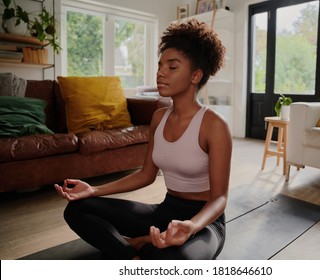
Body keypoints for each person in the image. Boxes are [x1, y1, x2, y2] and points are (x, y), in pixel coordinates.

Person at [55, 18, 232, 260]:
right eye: (160, 65)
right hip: (165, 211)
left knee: (181, 260)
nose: (160, 72)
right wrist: (94, 189)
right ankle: (135, 254)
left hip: (205, 224)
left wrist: (191, 226)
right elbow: (146, 175)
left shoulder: (214, 125)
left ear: (195, 75)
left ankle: (147, 246)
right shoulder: (159, 118)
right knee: (77, 210)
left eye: (172, 67)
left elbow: (220, 198)